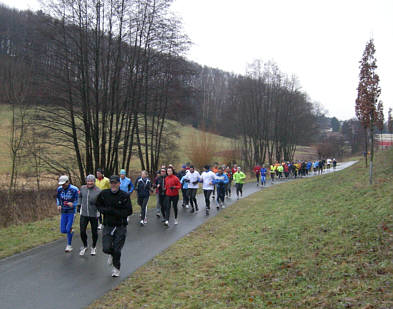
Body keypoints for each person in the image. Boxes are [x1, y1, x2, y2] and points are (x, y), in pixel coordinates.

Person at [96, 175, 132, 277]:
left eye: (115, 183)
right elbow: (98, 204)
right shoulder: (104, 194)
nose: (113, 185)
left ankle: (116, 268)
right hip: (108, 225)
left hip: (120, 226)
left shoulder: (124, 196)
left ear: (119, 184)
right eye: (112, 183)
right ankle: (111, 255)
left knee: (117, 249)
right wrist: (104, 211)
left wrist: (116, 212)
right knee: (106, 248)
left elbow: (129, 211)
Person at [77, 174, 101, 256]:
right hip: (84, 213)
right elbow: (79, 196)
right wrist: (79, 204)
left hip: (94, 214)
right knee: (82, 231)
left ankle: (93, 247)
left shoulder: (98, 191)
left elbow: (101, 202)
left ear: (94, 181)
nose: (89, 182)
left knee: (94, 232)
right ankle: (85, 246)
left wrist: (96, 204)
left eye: (91, 181)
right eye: (88, 181)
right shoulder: (83, 188)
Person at [56, 175, 79, 253]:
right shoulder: (59, 189)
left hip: (72, 211)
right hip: (63, 211)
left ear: (68, 182)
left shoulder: (74, 189)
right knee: (63, 230)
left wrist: (73, 204)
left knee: (68, 228)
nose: (63, 185)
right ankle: (71, 231)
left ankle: (69, 245)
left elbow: (79, 200)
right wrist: (58, 205)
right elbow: (58, 198)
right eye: (61, 184)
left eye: (64, 184)